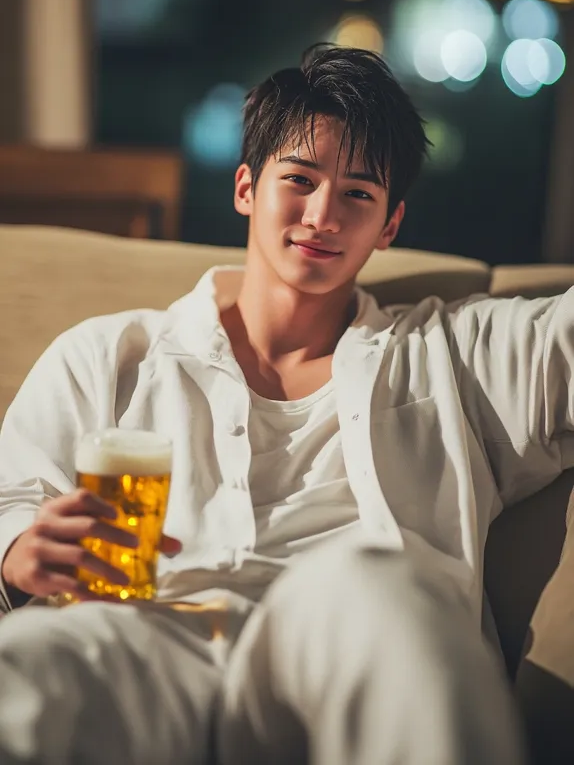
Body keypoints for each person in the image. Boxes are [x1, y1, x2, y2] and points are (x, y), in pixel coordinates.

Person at [0, 44, 572, 765]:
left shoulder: (455, 357)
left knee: (379, 582)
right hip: (147, 644)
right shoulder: (112, 355)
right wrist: (17, 553)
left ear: (390, 225)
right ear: (247, 187)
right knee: (36, 657)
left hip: (344, 654)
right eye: (299, 179)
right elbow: (11, 499)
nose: (323, 215)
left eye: (358, 194)